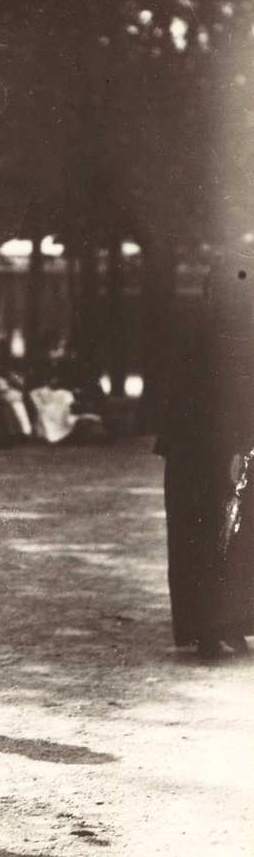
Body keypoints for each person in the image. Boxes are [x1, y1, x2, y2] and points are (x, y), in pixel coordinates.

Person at [156, 254, 254, 660]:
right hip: (210, 449)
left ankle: (216, 626)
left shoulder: (198, 329)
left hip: (196, 450)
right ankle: (219, 627)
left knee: (204, 537)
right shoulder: (231, 335)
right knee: (223, 537)